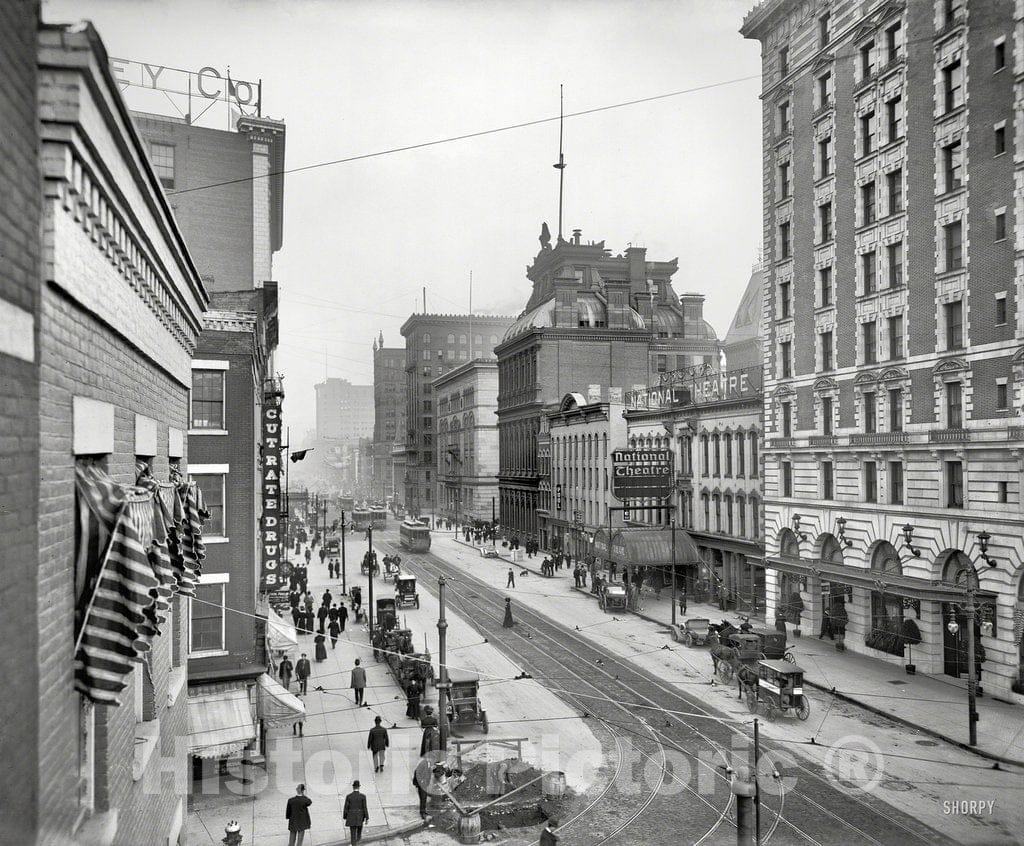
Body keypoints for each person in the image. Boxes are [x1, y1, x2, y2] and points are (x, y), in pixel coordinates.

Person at [343, 780, 369, 844]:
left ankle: (354, 844)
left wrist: (345, 817)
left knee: (353, 834)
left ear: (353, 787)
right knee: (359, 832)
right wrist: (367, 818)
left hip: (351, 818)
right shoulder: (363, 796)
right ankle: (358, 840)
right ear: (359, 787)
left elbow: (346, 808)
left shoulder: (349, 796)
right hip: (360, 818)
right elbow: (365, 807)